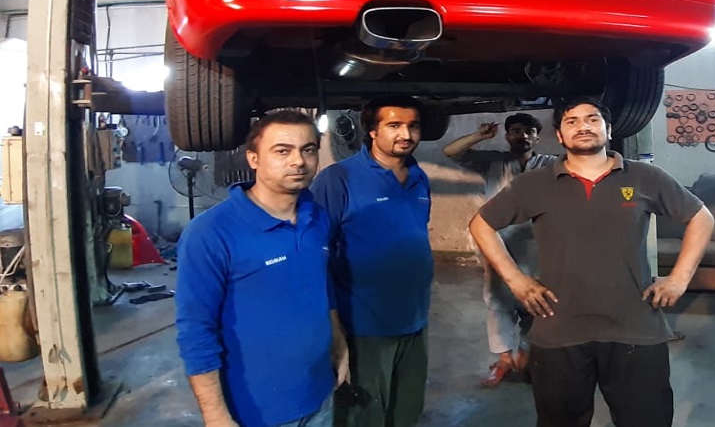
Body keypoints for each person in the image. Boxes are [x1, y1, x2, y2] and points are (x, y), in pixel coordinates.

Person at [469, 97, 715, 427]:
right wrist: (516, 279)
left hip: (635, 326)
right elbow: (481, 224)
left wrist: (679, 279)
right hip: (559, 329)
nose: (583, 126)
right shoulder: (534, 184)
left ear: (608, 130)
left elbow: (701, 217)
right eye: (571, 121)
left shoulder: (645, 177)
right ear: (559, 135)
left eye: (592, 119)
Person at [176, 109, 348, 427]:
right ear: (253, 159)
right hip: (256, 413)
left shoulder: (317, 216)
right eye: (282, 151)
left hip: (320, 396)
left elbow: (322, 285)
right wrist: (215, 415)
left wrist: (339, 343)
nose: (298, 161)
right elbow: (196, 330)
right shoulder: (210, 232)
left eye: (308, 150)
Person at [311, 95, 433, 427]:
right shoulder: (338, 179)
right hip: (363, 326)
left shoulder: (418, 176)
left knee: (407, 411)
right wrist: (332, 326)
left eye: (413, 126)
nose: (405, 134)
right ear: (372, 131)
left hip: (414, 321)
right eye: (394, 125)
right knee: (365, 415)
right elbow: (315, 255)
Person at [442, 113, 556, 387]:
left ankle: (526, 356)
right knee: (497, 302)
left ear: (537, 137)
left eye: (528, 131)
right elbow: (450, 151)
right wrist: (478, 136)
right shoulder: (494, 161)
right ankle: (504, 360)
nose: (522, 136)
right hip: (497, 243)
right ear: (507, 136)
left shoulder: (550, 164)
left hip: (538, 245)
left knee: (536, 301)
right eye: (516, 130)